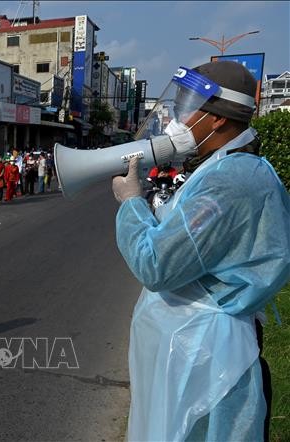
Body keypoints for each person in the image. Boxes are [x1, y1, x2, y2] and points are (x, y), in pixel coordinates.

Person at [111, 61, 290, 441]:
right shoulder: (223, 170)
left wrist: (131, 204)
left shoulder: (231, 181)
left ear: (218, 120)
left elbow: (155, 264)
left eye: (189, 106)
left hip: (208, 362)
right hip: (198, 351)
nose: (180, 116)